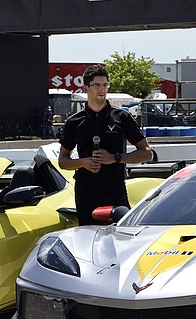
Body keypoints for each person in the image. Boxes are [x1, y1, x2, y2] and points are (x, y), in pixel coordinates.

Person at [58, 64, 153, 225]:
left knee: (121, 238)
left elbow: (146, 153)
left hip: (115, 189)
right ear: (86, 88)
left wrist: (115, 158)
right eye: (96, 85)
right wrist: (83, 163)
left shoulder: (122, 117)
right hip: (86, 192)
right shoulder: (74, 122)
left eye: (104, 85)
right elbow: (63, 161)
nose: (101, 89)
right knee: (88, 240)